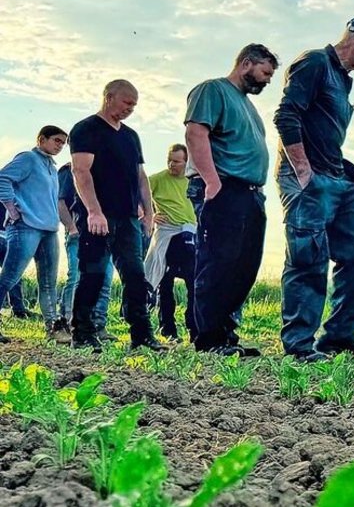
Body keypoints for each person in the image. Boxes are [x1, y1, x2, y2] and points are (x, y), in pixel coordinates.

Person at [274, 16, 354, 362]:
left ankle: (339, 339)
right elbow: (286, 115)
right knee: (308, 258)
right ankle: (299, 347)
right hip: (309, 178)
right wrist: (303, 171)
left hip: (338, 178)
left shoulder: (344, 80)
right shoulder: (314, 62)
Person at [185, 44, 279, 357]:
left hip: (250, 193)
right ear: (246, 64)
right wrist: (212, 181)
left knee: (243, 267)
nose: (267, 80)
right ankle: (209, 339)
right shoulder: (213, 90)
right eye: (265, 72)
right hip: (223, 187)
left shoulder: (248, 105)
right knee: (218, 263)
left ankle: (226, 335)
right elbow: (195, 134)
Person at [69, 79, 162, 352]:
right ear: (109, 97)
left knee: (135, 275)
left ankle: (142, 336)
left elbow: (140, 176)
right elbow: (80, 171)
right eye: (126, 103)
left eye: (134, 105)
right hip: (98, 217)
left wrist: (149, 212)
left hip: (128, 218)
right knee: (93, 275)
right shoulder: (86, 129)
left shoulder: (131, 136)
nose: (130, 109)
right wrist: (94, 211)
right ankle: (83, 334)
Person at [0, 126, 67, 343]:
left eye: (63, 142)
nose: (60, 145)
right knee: (10, 277)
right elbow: (2, 178)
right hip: (25, 227)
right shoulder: (28, 159)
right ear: (42, 139)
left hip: (49, 230)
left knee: (48, 282)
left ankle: (53, 328)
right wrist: (11, 208)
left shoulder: (52, 168)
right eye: (56, 140)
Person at [143, 144, 198, 341]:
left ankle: (195, 329)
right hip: (167, 235)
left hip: (189, 235)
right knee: (165, 284)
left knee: (194, 283)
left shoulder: (194, 181)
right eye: (169, 160)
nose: (171, 165)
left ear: (186, 162)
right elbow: (136, 194)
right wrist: (149, 215)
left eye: (176, 161)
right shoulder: (157, 179)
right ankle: (168, 329)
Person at [57, 163, 112, 339]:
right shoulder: (69, 170)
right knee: (76, 277)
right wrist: (71, 228)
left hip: (104, 232)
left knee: (105, 279)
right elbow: (60, 201)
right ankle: (70, 323)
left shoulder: (103, 170)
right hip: (80, 231)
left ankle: (99, 325)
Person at [0, 234, 31, 319]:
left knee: (12, 277)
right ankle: (19, 310)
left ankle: (19, 310)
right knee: (13, 276)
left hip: (7, 239)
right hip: (9, 239)